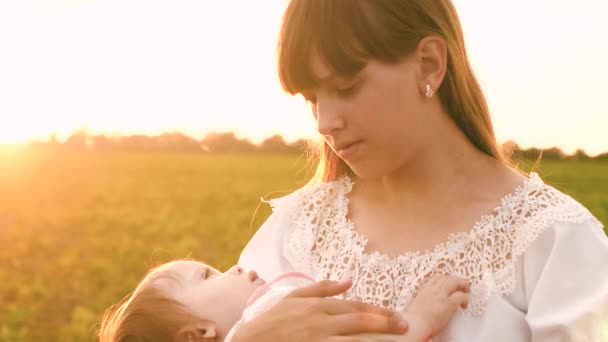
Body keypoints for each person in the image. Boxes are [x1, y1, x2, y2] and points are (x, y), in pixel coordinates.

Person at [230, 0, 608, 341]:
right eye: (312, 99)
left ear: (429, 64)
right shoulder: (299, 230)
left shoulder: (555, 242)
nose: (324, 122)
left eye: (346, 87)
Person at [98, 260, 470, 342]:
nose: (235, 266)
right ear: (199, 333)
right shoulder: (266, 316)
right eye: (209, 275)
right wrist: (416, 320)